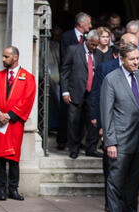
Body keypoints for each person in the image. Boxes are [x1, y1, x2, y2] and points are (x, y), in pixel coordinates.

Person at [100, 42, 139, 212]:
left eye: (138, 58)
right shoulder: (111, 79)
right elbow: (107, 113)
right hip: (120, 140)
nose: (136, 62)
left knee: (132, 182)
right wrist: (110, 142)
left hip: (138, 140)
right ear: (121, 59)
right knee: (116, 182)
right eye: (132, 59)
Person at [0, 46, 36, 201]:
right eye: (2, 56)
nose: (3, 59)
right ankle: (0, 189)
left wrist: (10, 115)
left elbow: (27, 100)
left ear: (15, 57)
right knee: (0, 157)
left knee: (14, 157)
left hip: (14, 123)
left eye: (6, 56)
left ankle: (13, 189)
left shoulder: (27, 77)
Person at [60, 29, 103, 159]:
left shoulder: (99, 54)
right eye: (93, 44)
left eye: (97, 45)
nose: (95, 47)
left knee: (93, 122)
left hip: (93, 93)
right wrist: (65, 91)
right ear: (87, 41)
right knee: (74, 121)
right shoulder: (73, 50)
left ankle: (91, 148)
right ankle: (74, 148)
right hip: (75, 91)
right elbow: (65, 71)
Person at [57, 12, 92, 151]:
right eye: (88, 22)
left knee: (81, 118)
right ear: (81, 23)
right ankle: (63, 140)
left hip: (85, 85)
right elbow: (65, 61)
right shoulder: (67, 37)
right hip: (71, 82)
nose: (90, 25)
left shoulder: (89, 39)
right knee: (67, 115)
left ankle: (78, 141)